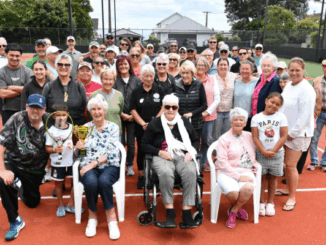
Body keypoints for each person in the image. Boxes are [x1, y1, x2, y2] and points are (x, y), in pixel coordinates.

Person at [141, 94, 200, 229]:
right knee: (166, 172)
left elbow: (196, 141)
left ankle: (186, 213)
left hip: (182, 155)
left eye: (174, 107)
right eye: (168, 107)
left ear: (178, 108)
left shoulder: (183, 122)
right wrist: (159, 152)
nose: (171, 110)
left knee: (191, 171)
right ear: (163, 107)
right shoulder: (155, 123)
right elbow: (144, 144)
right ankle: (170, 213)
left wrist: (192, 153)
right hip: (162, 155)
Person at [0, 94, 49, 241]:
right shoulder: (17, 118)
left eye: (39, 108)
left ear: (44, 109)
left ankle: (19, 185)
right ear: (26, 107)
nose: (35, 110)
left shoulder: (51, 121)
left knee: (33, 202)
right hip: (14, 162)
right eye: (32, 107)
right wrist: (2, 170)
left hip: (35, 169)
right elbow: (1, 145)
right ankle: (15, 221)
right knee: (3, 180)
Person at [75, 94, 121, 240]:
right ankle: (92, 217)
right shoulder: (85, 128)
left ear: (104, 110)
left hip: (109, 165)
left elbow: (112, 153)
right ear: (90, 112)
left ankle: (111, 219)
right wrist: (78, 148)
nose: (96, 112)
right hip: (88, 166)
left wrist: (92, 164)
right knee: (91, 182)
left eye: (99, 109)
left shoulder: (113, 127)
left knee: (104, 181)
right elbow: (79, 155)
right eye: (93, 109)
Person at [277, 57, 316, 211]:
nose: (294, 73)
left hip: (298, 134)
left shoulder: (307, 89)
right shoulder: (288, 86)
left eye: (297, 70)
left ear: (303, 70)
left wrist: (292, 133)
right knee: (286, 164)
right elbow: (282, 107)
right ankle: (287, 190)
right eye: (291, 70)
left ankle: (292, 197)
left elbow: (305, 115)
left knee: (291, 165)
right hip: (286, 132)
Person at [215, 107, 258, 229]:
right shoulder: (224, 139)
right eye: (235, 120)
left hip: (246, 170)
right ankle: (237, 207)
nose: (238, 122)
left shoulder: (249, 136)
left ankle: (233, 211)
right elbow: (222, 162)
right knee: (233, 194)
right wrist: (239, 176)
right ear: (231, 122)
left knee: (248, 188)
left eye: (241, 120)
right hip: (226, 172)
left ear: (245, 122)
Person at [251, 93, 288, 216]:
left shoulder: (281, 117)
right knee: (261, 179)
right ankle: (261, 202)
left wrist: (274, 151)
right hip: (261, 154)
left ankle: (270, 202)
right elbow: (255, 138)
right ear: (266, 101)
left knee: (272, 178)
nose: (274, 106)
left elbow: (283, 136)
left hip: (276, 154)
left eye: (278, 105)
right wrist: (263, 151)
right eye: (272, 102)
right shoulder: (256, 118)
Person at [130, 64, 165, 189]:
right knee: (141, 151)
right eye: (146, 76)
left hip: (156, 127)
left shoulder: (159, 89)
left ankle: (154, 175)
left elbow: (163, 107)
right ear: (142, 77)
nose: (149, 78)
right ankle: (142, 176)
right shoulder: (136, 91)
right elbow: (132, 110)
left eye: (151, 76)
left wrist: (154, 122)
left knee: (156, 149)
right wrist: (143, 123)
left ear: (153, 77)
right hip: (141, 127)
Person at [45, 103, 77, 217]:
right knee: (58, 184)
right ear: (53, 116)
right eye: (58, 115)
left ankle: (70, 204)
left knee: (75, 183)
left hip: (70, 161)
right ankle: (60, 205)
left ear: (67, 115)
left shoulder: (72, 128)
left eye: (63, 115)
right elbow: (47, 148)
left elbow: (75, 141)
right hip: (57, 162)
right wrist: (54, 149)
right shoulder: (51, 131)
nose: (61, 118)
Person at [113, 55, 142, 176]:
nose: (123, 66)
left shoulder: (136, 80)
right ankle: (119, 164)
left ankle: (129, 165)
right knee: (119, 141)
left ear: (129, 65)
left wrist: (132, 115)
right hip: (119, 116)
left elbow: (140, 99)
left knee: (131, 143)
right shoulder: (114, 81)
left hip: (133, 117)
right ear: (118, 67)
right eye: (120, 64)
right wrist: (122, 114)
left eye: (125, 64)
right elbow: (113, 99)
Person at [42, 54, 87, 126]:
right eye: (60, 64)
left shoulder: (79, 86)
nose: (63, 67)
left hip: (75, 129)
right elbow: (44, 110)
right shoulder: (49, 87)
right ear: (56, 67)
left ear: (70, 67)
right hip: (54, 129)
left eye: (67, 65)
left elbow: (83, 108)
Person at [195, 57, 220, 171]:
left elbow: (217, 99)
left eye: (202, 65)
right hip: (195, 116)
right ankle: (194, 162)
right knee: (194, 140)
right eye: (198, 65)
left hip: (209, 117)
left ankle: (204, 162)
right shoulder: (193, 78)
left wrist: (207, 112)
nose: (200, 67)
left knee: (206, 140)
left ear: (206, 67)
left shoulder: (213, 78)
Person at [0, 43, 34, 125]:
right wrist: (23, 89)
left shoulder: (27, 71)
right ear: (6, 55)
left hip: (25, 110)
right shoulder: (1, 72)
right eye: (12, 55)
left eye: (17, 56)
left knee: (24, 135)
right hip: (7, 110)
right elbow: (3, 94)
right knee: (9, 136)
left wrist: (11, 87)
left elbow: (31, 89)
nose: (15, 58)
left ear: (21, 56)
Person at [174, 60, 207, 138]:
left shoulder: (199, 85)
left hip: (195, 124)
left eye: (187, 73)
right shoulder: (176, 85)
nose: (185, 75)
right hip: (179, 123)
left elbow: (204, 105)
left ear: (192, 74)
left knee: (194, 147)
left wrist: (191, 113)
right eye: (183, 73)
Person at [89, 68, 124, 138]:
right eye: (105, 79)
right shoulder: (94, 95)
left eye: (110, 79)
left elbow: (120, 112)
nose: (108, 82)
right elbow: (91, 115)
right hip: (98, 133)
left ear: (114, 81)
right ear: (101, 80)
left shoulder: (119, 95)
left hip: (115, 134)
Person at [308, 60, 326, 171]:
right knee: (314, 138)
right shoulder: (317, 81)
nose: (325, 68)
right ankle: (314, 161)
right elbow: (310, 96)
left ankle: (324, 162)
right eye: (324, 65)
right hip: (318, 113)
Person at [251, 53, 281, 118]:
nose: (265, 68)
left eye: (268, 66)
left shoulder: (275, 81)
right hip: (256, 116)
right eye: (264, 65)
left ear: (274, 67)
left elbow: (272, 105)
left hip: (265, 119)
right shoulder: (261, 78)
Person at [214, 58, 237, 140]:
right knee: (216, 136)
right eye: (221, 65)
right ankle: (216, 152)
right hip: (217, 112)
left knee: (227, 135)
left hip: (229, 111)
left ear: (228, 66)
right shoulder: (213, 78)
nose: (223, 67)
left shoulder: (233, 76)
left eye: (225, 65)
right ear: (217, 66)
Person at [233, 60, 258, 131]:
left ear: (252, 70)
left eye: (247, 69)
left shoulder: (257, 82)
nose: (244, 71)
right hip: (236, 118)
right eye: (242, 69)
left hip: (250, 118)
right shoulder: (235, 81)